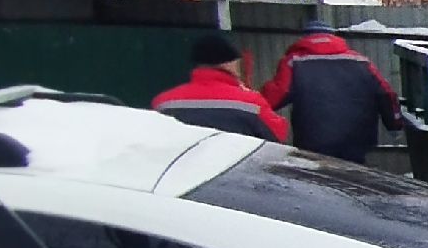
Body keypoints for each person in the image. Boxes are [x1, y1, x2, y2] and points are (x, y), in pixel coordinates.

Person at [260, 19, 402, 163]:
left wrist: (252, 102)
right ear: (334, 37)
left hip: (313, 140)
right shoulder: (361, 61)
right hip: (356, 139)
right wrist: (394, 124)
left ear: (305, 38)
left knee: (320, 179)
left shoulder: (294, 61)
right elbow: (385, 94)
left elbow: (275, 95)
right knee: (352, 178)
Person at [152, 33, 289, 142]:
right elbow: (278, 134)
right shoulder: (250, 102)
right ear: (227, 64)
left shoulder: (163, 103)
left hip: (185, 174)